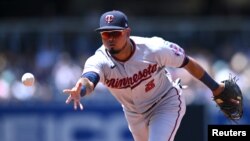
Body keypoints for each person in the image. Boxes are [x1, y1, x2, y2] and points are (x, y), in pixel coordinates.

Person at [63, 10, 225, 141]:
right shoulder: (99, 59)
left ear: (127, 33)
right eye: (106, 34)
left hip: (165, 102)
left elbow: (187, 62)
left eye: (116, 33)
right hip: (134, 114)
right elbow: (89, 79)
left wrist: (216, 88)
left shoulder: (154, 48)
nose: (110, 38)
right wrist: (81, 89)